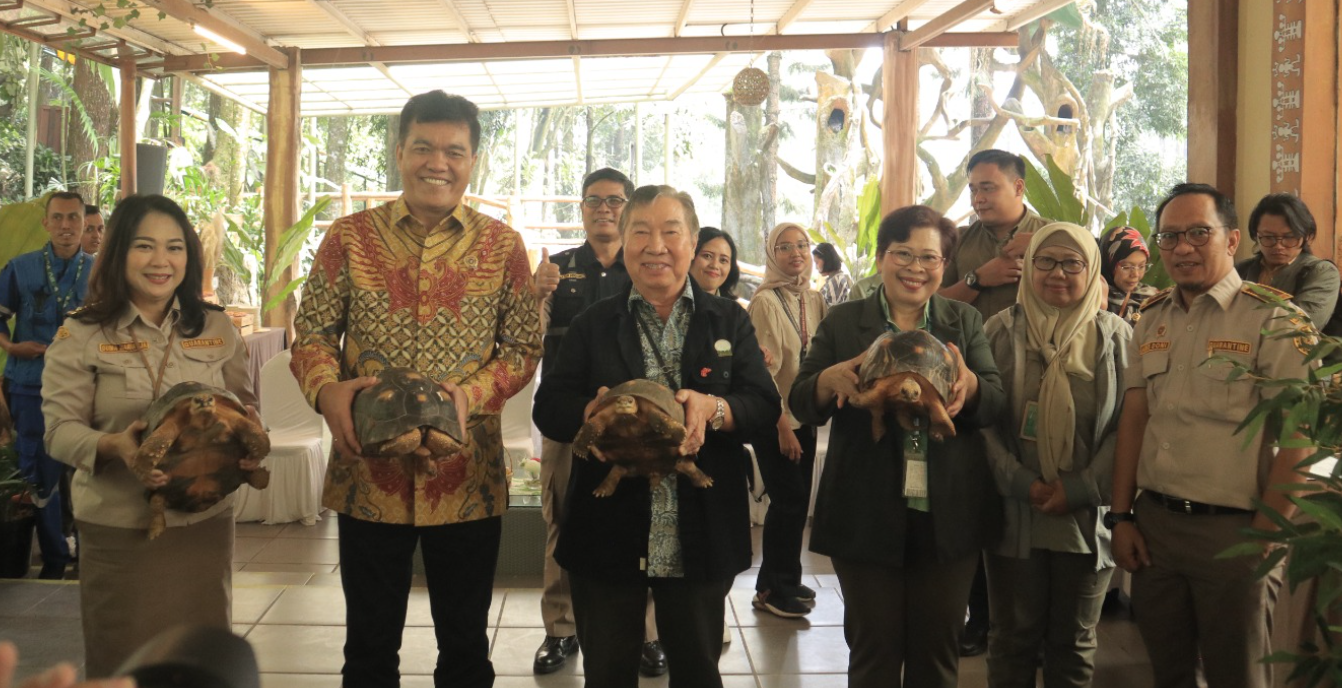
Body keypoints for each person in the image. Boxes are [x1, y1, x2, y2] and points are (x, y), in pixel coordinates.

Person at [289, 91, 541, 688]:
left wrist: (469, 397)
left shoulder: (504, 248)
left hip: (468, 477)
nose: (438, 162)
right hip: (367, 476)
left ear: (473, 160)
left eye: (455, 151)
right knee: (369, 649)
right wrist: (328, 393)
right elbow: (312, 337)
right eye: (423, 147)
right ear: (399, 151)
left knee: (465, 649)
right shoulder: (349, 239)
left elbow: (522, 351)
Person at [533, 185, 779, 688]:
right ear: (624, 244)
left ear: (692, 242)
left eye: (671, 231)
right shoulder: (592, 323)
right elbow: (548, 407)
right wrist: (590, 411)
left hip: (701, 528)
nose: (655, 245)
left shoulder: (728, 318)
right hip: (607, 528)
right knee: (607, 672)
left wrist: (714, 408)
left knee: (696, 670)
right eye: (640, 232)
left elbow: (763, 404)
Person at [1110, 183, 1316, 688]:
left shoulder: (1276, 319)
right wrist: (1120, 516)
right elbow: (1135, 418)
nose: (1182, 248)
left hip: (1236, 532)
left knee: (1237, 675)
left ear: (1231, 240)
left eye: (1199, 233)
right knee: (1169, 672)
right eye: (1170, 236)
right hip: (1155, 528)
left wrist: (1268, 538)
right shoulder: (1150, 317)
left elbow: (1300, 437)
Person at [790, 204, 1004, 688]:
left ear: (944, 265)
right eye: (902, 253)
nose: (915, 267)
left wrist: (968, 384)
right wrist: (827, 378)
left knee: (937, 655)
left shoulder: (963, 322)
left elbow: (994, 405)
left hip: (948, 515)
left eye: (929, 257)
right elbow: (802, 401)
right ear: (882, 257)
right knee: (873, 652)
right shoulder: (845, 321)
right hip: (864, 511)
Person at [41, 194, 255, 677]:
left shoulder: (217, 327)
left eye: (175, 247)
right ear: (119, 254)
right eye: (144, 246)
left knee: (201, 663)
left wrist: (247, 441)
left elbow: (245, 406)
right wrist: (114, 445)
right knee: (125, 665)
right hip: (121, 529)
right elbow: (58, 432)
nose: (161, 261)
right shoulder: (83, 334)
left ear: (189, 257)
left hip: (204, 525)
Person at [531, 167, 667, 677]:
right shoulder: (557, 269)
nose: (604, 209)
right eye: (594, 201)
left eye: (615, 200)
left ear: (629, 208)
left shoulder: (648, 268)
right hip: (570, 418)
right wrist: (535, 293)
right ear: (581, 209)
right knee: (560, 518)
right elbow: (527, 340)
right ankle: (560, 629)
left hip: (639, 421)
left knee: (648, 516)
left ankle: (648, 634)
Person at [982, 222, 1130, 688]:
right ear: (1027, 268)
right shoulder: (1000, 331)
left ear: (1093, 271)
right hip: (1015, 511)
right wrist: (1020, 482)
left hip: (1086, 518)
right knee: (1011, 638)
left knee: (1074, 641)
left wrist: (1082, 487)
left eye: (1072, 263)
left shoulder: (1116, 338)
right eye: (1045, 261)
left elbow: (1130, 425)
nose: (1057, 273)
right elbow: (982, 420)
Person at [938, 148, 1051, 656]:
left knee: (1035, 489)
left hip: (1041, 385)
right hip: (974, 386)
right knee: (980, 492)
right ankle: (980, 616)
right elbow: (935, 306)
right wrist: (983, 276)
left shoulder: (1053, 237)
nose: (979, 197)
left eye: (988, 187)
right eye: (974, 189)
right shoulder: (961, 242)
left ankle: (1041, 619)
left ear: (1019, 187)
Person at [0, 191, 93, 579]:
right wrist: (11, 346)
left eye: (73, 218)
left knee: (93, 468)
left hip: (87, 386)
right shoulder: (20, 268)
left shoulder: (100, 271)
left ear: (85, 223)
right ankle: (54, 561)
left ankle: (92, 559)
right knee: (38, 472)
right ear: (46, 223)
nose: (66, 226)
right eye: (58, 218)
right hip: (29, 384)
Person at [747, 222, 827, 618]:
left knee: (796, 502)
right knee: (788, 500)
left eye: (802, 246)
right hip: (775, 418)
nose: (796, 253)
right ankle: (773, 591)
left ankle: (783, 579)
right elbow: (762, 372)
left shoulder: (812, 298)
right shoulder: (764, 302)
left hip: (805, 413)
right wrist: (781, 425)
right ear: (771, 255)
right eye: (784, 247)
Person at [1234, 193, 1340, 334]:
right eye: (1268, 237)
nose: (1278, 246)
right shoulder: (1239, 270)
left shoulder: (1321, 272)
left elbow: (1301, 325)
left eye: (1289, 237)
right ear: (1255, 235)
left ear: (1306, 236)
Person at [1098, 225, 1158, 325]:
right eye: (1126, 267)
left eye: (1142, 266)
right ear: (1108, 264)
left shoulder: (1151, 298)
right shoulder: (1090, 297)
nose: (1135, 274)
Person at [689, 227, 741, 300]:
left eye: (723, 260)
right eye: (707, 256)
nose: (715, 265)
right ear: (690, 256)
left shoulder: (733, 310)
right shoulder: (669, 302)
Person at [812, 241, 852, 305]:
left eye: (817, 262)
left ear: (826, 260)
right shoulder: (834, 279)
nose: (816, 267)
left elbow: (831, 311)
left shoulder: (837, 280)